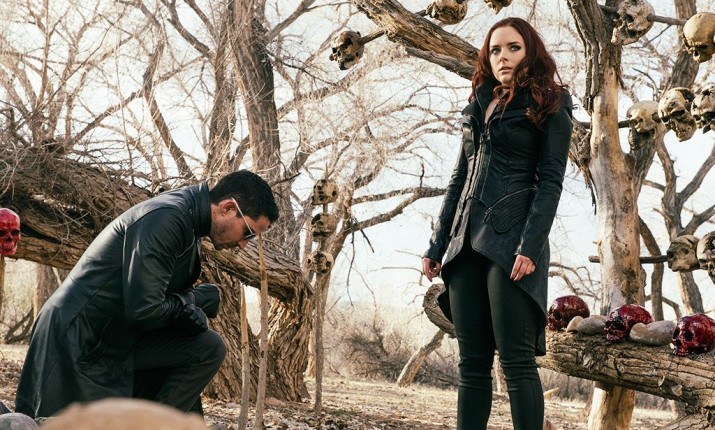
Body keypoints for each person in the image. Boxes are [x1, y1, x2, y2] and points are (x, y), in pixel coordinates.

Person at [15, 170, 279, 419]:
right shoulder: (167, 217)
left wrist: (191, 298)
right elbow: (145, 309)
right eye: (247, 233)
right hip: (80, 337)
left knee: (207, 347)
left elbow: (151, 292)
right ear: (227, 208)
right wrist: (191, 300)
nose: (243, 244)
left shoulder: (189, 222)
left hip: (115, 335)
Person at [421, 17, 573, 430]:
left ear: (530, 52)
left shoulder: (551, 102)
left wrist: (530, 246)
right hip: (463, 244)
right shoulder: (477, 104)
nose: (503, 57)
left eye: (513, 48)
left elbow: (551, 182)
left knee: (516, 361)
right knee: (472, 363)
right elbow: (459, 178)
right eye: (495, 50)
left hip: (512, 245)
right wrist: (437, 244)